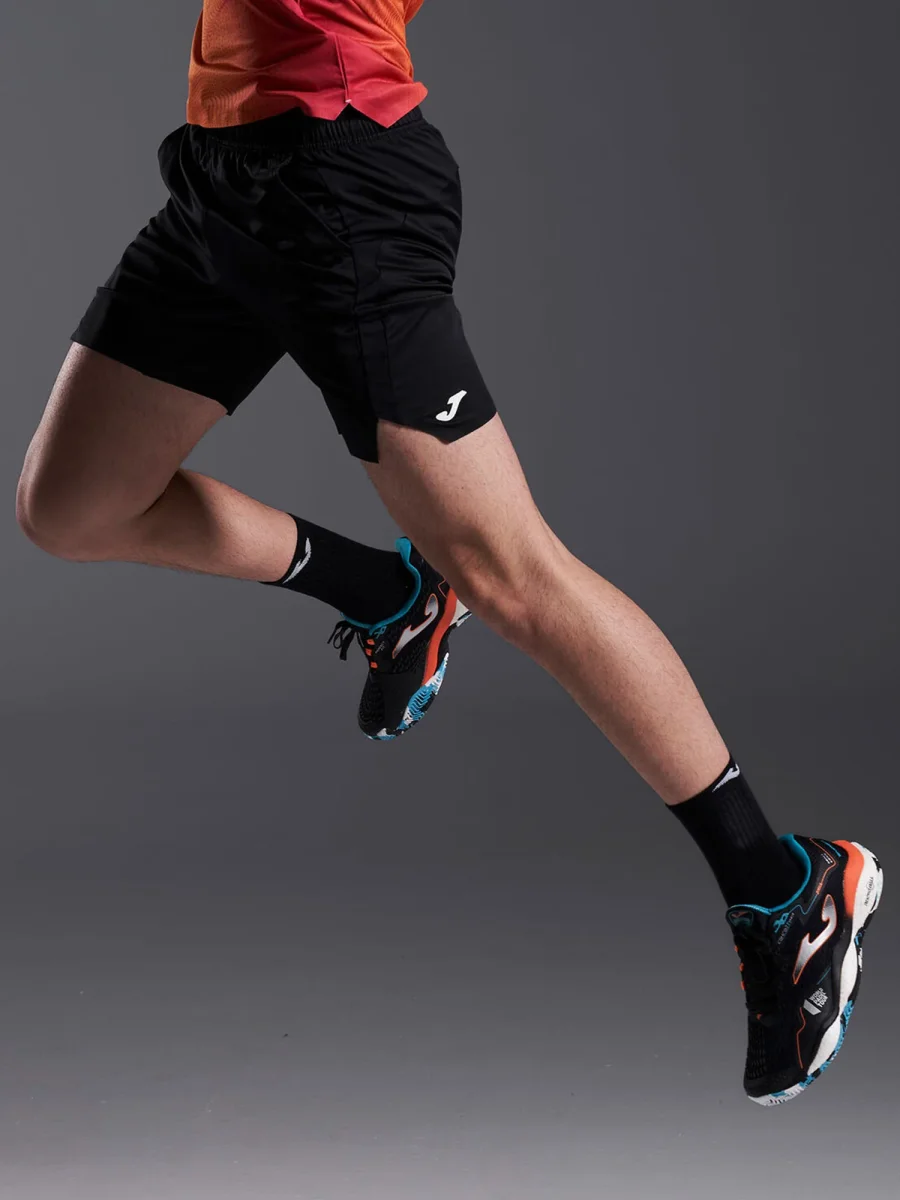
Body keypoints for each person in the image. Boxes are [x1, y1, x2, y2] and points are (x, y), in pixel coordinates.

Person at [15, 0, 882, 1105]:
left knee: (511, 572)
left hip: (338, 176)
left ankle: (785, 885)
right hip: (227, 178)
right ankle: (392, 595)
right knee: (73, 504)